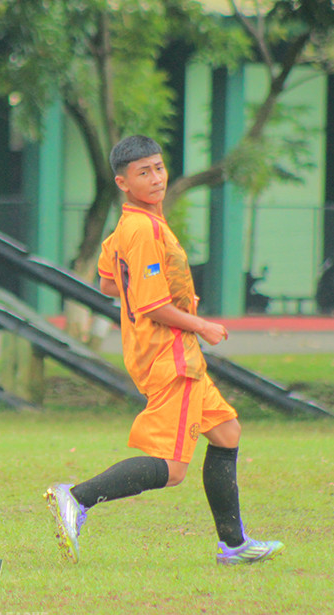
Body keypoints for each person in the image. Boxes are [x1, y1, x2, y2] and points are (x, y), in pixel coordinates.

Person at [44, 135, 284, 566]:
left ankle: (233, 544)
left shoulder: (129, 226)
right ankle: (76, 498)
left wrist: (149, 296)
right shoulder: (141, 231)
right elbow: (154, 305)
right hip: (172, 355)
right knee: (172, 470)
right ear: (123, 182)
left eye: (158, 167)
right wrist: (201, 325)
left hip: (165, 351)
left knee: (227, 432)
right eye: (143, 173)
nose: (155, 178)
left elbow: (107, 282)